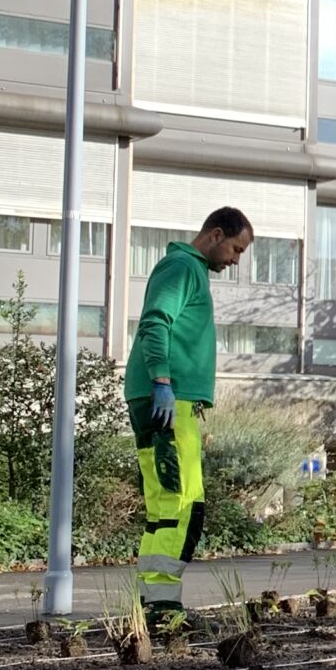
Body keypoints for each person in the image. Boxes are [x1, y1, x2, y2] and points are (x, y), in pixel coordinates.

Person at [123, 206, 254, 625]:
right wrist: (162, 379)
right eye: (236, 249)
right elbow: (155, 322)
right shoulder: (181, 267)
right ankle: (163, 607)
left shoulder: (185, 269)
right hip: (167, 399)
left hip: (165, 398)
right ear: (216, 234)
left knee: (165, 503)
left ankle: (153, 602)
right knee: (182, 503)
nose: (236, 260)